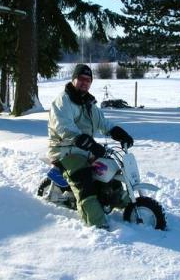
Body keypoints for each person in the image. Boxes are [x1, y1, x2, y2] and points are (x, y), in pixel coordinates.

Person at [47, 64, 134, 229]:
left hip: (84, 149)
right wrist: (91, 145)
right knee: (84, 181)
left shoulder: (88, 103)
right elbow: (65, 129)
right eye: (81, 79)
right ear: (74, 79)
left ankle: (122, 200)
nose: (84, 83)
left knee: (111, 170)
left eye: (88, 80)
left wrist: (120, 133)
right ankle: (97, 223)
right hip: (64, 151)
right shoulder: (63, 101)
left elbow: (104, 124)